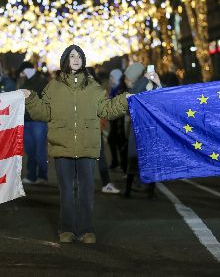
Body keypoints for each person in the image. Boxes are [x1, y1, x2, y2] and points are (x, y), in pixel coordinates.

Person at [22, 45, 130, 244]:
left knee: (86, 191)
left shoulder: (94, 87)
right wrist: (31, 99)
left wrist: (124, 100)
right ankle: (67, 229)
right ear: (65, 60)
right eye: (72, 55)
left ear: (83, 60)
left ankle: (86, 230)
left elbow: (107, 110)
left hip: (87, 147)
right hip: (62, 146)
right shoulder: (53, 87)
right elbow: (43, 113)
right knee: (66, 191)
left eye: (79, 55)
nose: (76, 58)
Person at [123, 63, 162, 199]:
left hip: (138, 128)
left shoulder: (136, 87)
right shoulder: (153, 82)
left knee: (134, 160)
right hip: (151, 128)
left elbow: (128, 108)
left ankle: (128, 190)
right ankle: (150, 191)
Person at [17, 61, 49, 185]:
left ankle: (41, 174)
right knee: (30, 150)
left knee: (39, 150)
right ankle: (31, 175)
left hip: (38, 121)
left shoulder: (41, 81)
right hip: (26, 120)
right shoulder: (22, 81)